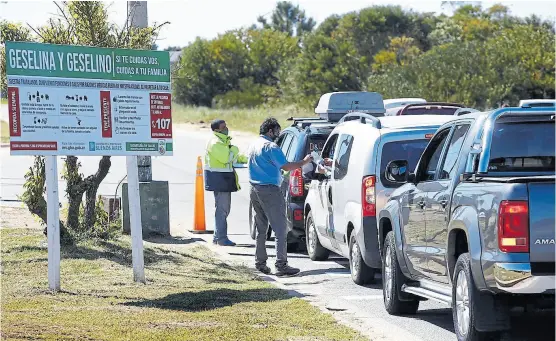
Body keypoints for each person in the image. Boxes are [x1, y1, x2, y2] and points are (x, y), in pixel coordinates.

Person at [247, 117, 313, 277]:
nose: (278, 133)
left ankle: (260, 263)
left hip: (254, 189)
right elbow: (286, 166)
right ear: (270, 130)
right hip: (270, 190)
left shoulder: (254, 144)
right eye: (277, 130)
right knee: (281, 229)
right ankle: (281, 265)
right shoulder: (271, 147)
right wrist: (304, 162)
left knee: (261, 228)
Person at [204, 119, 247, 246]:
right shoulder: (216, 142)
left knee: (223, 209)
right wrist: (235, 149)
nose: (226, 128)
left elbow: (232, 157)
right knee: (222, 210)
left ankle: (218, 237)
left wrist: (245, 158)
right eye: (223, 127)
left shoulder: (223, 141)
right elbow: (226, 158)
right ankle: (221, 238)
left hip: (222, 179)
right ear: (216, 130)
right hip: (219, 179)